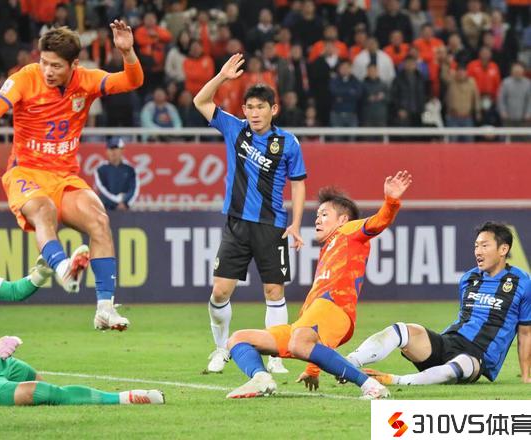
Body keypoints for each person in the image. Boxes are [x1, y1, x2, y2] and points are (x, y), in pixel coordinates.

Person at [0, 23, 143, 331]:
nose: (47, 71)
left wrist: (127, 52)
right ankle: (63, 268)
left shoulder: (86, 80)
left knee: (99, 220)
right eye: (44, 62)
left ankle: (105, 309)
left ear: (74, 64)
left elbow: (132, 80)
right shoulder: (26, 77)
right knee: (44, 210)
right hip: (25, 173)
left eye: (56, 66)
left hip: (64, 178)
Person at [0, 215, 164, 407]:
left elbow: (13, 291)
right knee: (39, 393)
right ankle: (126, 398)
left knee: (41, 384)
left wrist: (41, 274)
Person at [224, 171, 412, 400]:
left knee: (299, 342)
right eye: (317, 215)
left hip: (335, 308)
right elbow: (315, 338)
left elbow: (378, 222)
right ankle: (261, 378)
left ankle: (371, 385)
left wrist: (391, 201)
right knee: (238, 338)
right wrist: (312, 369)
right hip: (309, 320)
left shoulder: (349, 231)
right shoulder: (329, 249)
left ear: (342, 220)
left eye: (324, 214)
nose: (317, 220)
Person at [193, 54, 307, 375]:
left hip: (273, 225)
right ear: (244, 110)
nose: (255, 113)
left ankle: (276, 355)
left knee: (274, 291)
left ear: (274, 109)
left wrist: (297, 223)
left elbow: (298, 183)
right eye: (250, 107)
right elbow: (200, 101)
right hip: (237, 223)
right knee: (220, 291)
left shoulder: (288, 143)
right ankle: (221, 348)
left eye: (261, 107)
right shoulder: (235, 128)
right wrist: (221, 76)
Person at [348, 222, 530, 386]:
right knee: (402, 330)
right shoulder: (469, 278)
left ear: (503, 249)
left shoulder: (522, 282)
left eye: (484, 245)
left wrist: (525, 376)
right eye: (476, 246)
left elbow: (525, 332)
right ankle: (349, 363)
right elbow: (465, 318)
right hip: (448, 341)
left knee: (461, 365)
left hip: (476, 357)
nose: (478, 251)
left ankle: (395, 380)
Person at [94, 137, 139, 211]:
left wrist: (125, 202)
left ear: (122, 150)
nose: (113, 152)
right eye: (110, 148)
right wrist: (117, 202)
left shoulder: (130, 169)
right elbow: (101, 190)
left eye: (116, 148)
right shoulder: (100, 169)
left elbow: (134, 190)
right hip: (106, 209)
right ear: (106, 151)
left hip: (126, 209)